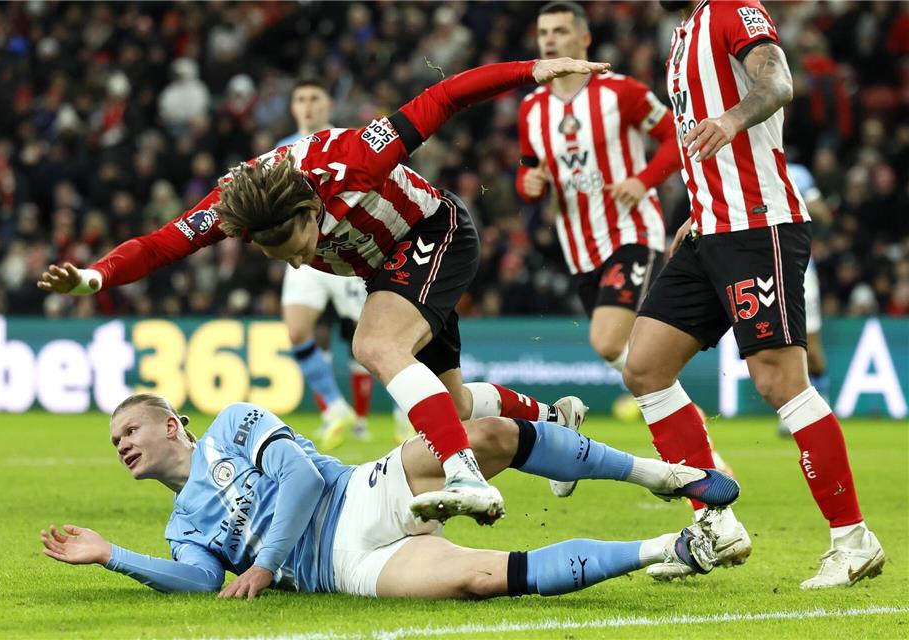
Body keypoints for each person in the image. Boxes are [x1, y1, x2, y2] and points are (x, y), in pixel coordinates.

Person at [37, 57, 611, 526]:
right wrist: (96, 276)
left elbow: (443, 98)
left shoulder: (353, 159)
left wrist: (532, 69)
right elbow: (162, 243)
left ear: (312, 207)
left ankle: (461, 468)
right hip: (386, 268)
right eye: (280, 255)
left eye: (299, 242)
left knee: (376, 346)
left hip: (435, 233)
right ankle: (553, 422)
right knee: (452, 405)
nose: (300, 259)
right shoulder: (236, 206)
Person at [621, 0, 885, 587]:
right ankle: (716, 523)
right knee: (644, 367)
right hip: (711, 226)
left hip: (756, 224)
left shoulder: (734, 8)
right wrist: (698, 210)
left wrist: (735, 119)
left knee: (779, 380)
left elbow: (778, 79)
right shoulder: (683, 32)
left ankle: (853, 539)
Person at [40, 393, 741, 599]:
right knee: (479, 577)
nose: (123, 444)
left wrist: (263, 561)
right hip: (344, 571)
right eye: (114, 444)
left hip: (358, 498)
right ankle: (677, 546)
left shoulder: (233, 422)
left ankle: (662, 476)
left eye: (129, 430)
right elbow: (196, 583)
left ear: (170, 425)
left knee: (486, 435)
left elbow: (305, 478)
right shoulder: (182, 527)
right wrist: (113, 557)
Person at [516, 1, 731, 485]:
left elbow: (679, 139)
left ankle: (574, 441)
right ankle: (697, 452)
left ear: (584, 40)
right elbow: (529, 171)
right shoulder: (531, 108)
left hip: (632, 233)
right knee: (636, 358)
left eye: (559, 31)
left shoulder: (623, 94)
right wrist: (527, 184)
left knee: (606, 339)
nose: (549, 40)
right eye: (543, 32)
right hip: (579, 246)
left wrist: (642, 180)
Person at [274, 79, 379, 450]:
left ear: (328, 104)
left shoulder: (343, 141)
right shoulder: (280, 151)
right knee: (297, 331)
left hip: (343, 253)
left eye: (314, 99)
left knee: (372, 340)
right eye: (300, 99)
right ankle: (335, 409)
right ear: (292, 107)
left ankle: (403, 411)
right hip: (302, 257)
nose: (307, 106)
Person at [778, 162, 831, 437]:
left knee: (811, 350)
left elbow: (823, 214)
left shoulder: (797, 173)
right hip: (761, 271)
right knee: (777, 346)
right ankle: (792, 412)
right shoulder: (740, 168)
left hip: (800, 271)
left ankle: (821, 408)